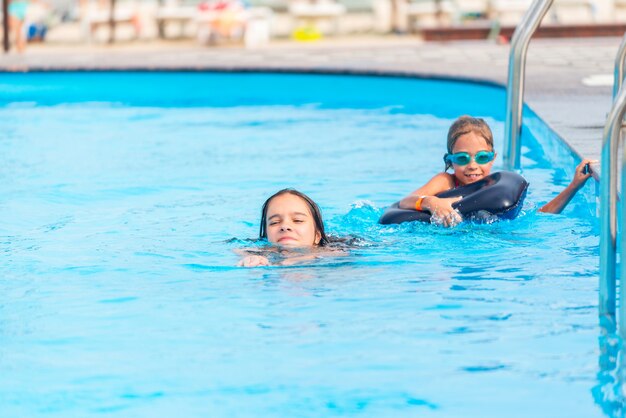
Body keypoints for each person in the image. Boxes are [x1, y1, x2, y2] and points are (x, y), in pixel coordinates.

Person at [398, 115, 594, 227]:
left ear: (493, 158)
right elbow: (405, 201)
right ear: (450, 160)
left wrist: (574, 186)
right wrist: (431, 202)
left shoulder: (498, 190)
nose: (472, 165)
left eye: (482, 157)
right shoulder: (446, 181)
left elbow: (540, 216)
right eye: (462, 158)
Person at [238, 188, 343, 268]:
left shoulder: (336, 251)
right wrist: (252, 259)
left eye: (297, 220)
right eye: (275, 222)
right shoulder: (257, 251)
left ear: (317, 236)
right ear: (267, 235)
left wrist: (306, 257)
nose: (285, 226)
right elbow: (240, 252)